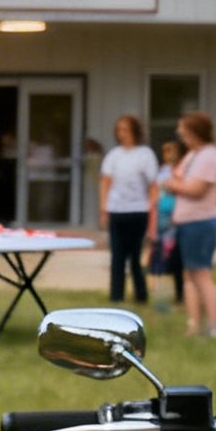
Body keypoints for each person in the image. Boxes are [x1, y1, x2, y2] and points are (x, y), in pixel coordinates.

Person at [164, 110, 216, 338]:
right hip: (186, 221)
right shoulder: (193, 155)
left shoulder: (210, 156)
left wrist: (173, 186)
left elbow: (197, 189)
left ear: (195, 132)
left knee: (201, 273)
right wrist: (176, 180)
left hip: (201, 222)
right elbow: (178, 176)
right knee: (188, 276)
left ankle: (214, 326)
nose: (180, 135)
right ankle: (193, 325)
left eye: (183, 131)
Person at [97, 113, 157, 306]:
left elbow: (153, 184)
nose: (121, 133)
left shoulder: (145, 154)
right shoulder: (114, 155)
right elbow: (105, 182)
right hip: (117, 210)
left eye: (125, 129)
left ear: (134, 131)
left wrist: (151, 207)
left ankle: (141, 295)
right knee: (117, 255)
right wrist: (104, 209)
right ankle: (116, 296)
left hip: (138, 211)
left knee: (135, 256)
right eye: (119, 130)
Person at [149, 139, 184, 311]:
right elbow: (155, 196)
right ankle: (161, 293)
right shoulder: (161, 172)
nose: (170, 156)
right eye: (167, 152)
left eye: (173, 152)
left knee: (177, 256)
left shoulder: (181, 171)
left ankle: (180, 292)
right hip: (162, 216)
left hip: (178, 217)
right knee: (162, 254)